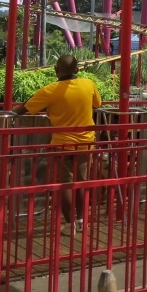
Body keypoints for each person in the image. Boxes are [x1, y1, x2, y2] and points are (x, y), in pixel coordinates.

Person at [13, 54, 101, 232]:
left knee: (65, 184)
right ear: (77, 70)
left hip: (62, 144)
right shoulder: (89, 84)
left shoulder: (49, 90)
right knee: (82, 182)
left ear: (55, 70)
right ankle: (82, 222)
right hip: (85, 143)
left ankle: (70, 225)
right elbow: (97, 105)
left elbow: (20, 110)